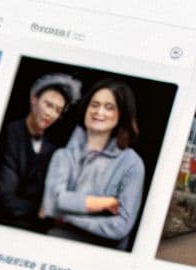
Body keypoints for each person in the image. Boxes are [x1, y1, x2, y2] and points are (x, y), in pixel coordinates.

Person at [40, 80, 147, 248]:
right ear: (86, 109)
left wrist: (68, 217)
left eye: (109, 107)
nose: (99, 111)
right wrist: (105, 203)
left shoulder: (132, 164)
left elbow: (121, 226)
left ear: (121, 114)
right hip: (56, 244)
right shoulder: (62, 156)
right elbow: (51, 205)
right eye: (94, 105)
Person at [0, 73, 78, 227]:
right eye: (48, 105)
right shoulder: (8, 133)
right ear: (34, 100)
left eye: (57, 110)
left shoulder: (54, 151)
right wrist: (43, 209)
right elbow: (3, 197)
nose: (51, 113)